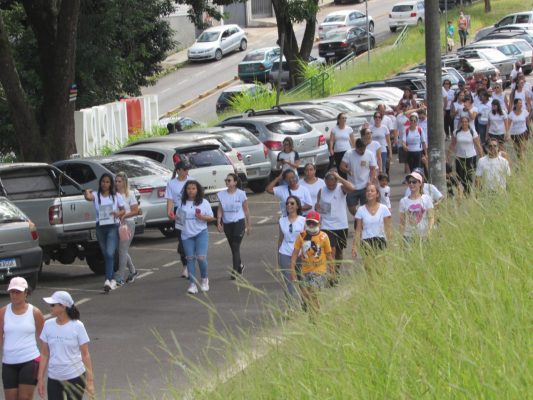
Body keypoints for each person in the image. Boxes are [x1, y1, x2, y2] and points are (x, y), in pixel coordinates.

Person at [37, 291, 94, 400]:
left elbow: (85, 354)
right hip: (54, 378)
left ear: (63, 306)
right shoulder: (48, 325)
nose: (50, 307)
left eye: (53, 305)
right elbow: (44, 354)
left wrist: (90, 382)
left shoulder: (78, 326)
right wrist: (40, 379)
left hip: (75, 377)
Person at [0, 277, 44, 400]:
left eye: (18, 292)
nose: (14, 295)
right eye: (12, 292)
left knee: (24, 397)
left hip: (30, 361)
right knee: (10, 398)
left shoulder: (35, 312)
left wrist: (45, 365)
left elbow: (44, 341)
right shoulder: (3, 312)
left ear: (26, 293)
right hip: (9, 362)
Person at [83, 173, 125, 291]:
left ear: (110, 184)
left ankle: (108, 279)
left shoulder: (116, 196)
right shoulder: (96, 195)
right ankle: (111, 279)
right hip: (100, 227)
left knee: (110, 252)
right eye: (103, 181)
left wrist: (118, 213)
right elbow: (88, 197)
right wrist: (87, 192)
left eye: (107, 182)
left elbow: (123, 210)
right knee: (106, 254)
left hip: (112, 225)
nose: (105, 184)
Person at [290, 211, 333, 314]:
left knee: (313, 293)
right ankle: (313, 311)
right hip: (305, 271)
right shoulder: (301, 236)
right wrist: (293, 271)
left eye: (314, 223)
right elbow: (295, 254)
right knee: (306, 294)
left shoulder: (324, 237)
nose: (311, 225)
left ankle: (315, 317)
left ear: (319, 224)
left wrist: (332, 271)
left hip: (319, 271)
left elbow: (328, 255)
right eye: (309, 223)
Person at [315, 170, 354, 276]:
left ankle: (336, 270)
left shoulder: (341, 187)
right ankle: (332, 275)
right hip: (326, 225)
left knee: (339, 251)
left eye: (333, 184)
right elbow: (317, 205)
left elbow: (352, 188)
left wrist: (339, 177)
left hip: (341, 224)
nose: (331, 186)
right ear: (325, 181)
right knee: (330, 250)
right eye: (328, 184)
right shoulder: (321, 191)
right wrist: (317, 207)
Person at [180, 180, 216, 294]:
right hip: (186, 235)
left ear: (197, 190)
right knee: (190, 259)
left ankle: (204, 279)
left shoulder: (204, 202)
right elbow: (179, 221)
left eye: (193, 188)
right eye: (188, 188)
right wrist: (175, 219)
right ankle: (192, 284)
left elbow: (211, 218)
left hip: (201, 233)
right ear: (186, 190)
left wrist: (201, 217)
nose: (191, 191)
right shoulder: (182, 203)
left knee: (201, 258)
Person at [216, 173, 251, 279]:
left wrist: (249, 225)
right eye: (226, 180)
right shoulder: (221, 194)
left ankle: (235, 272)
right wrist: (219, 222)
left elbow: (246, 209)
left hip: (239, 223)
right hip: (227, 224)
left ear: (235, 182)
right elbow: (220, 209)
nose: (227, 182)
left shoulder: (241, 194)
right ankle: (240, 266)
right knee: (233, 248)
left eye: (229, 180)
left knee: (235, 246)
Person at [166, 161, 193, 279]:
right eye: (185, 169)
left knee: (191, 237)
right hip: (180, 212)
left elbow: (198, 197)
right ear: (178, 171)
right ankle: (186, 266)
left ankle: (191, 261)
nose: (187, 172)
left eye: (188, 169)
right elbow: (170, 199)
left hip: (191, 211)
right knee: (182, 239)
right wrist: (169, 211)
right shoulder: (171, 184)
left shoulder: (192, 181)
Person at [352, 184, 392, 263]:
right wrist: (354, 246)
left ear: (377, 194)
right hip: (366, 241)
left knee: (381, 269)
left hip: (380, 240)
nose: (369, 192)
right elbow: (358, 230)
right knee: (369, 269)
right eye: (367, 191)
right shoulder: (361, 210)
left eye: (372, 191)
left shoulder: (384, 209)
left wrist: (391, 244)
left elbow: (388, 228)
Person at [277, 195, 306, 299]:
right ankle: (291, 306)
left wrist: (306, 254)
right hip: (285, 252)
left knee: (302, 279)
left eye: (292, 203)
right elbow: (280, 238)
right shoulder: (282, 221)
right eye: (287, 203)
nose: (289, 205)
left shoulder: (303, 220)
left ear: (297, 206)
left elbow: (307, 239)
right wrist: (278, 256)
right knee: (288, 281)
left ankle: (306, 302)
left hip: (299, 253)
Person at [340, 138, 378, 216]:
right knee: (351, 208)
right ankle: (359, 217)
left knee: (366, 207)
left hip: (365, 186)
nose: (362, 152)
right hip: (352, 187)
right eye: (360, 150)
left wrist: (370, 181)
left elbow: (373, 169)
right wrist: (347, 170)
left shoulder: (369, 154)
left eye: (363, 149)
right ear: (355, 147)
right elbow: (341, 166)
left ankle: (362, 221)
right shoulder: (349, 153)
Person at [447, 116, 483, 193]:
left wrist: (481, 156)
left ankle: (468, 191)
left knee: (469, 175)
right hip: (459, 157)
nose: (464, 123)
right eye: (462, 122)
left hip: (471, 157)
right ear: (460, 123)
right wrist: (448, 156)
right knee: (460, 176)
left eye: (466, 122)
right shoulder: (456, 132)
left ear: (468, 123)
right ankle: (463, 189)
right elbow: (452, 144)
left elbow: (478, 145)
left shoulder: (472, 132)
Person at [114, 172, 139, 285]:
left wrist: (124, 215)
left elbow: (135, 211)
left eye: (119, 181)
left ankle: (120, 276)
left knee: (122, 250)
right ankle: (133, 271)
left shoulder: (130, 194)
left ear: (124, 182)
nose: (117, 183)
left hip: (127, 224)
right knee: (121, 250)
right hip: (117, 225)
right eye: (116, 181)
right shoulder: (113, 195)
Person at [399, 172, 435, 241]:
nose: (411, 184)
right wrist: (400, 238)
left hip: (423, 235)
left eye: (414, 182)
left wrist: (429, 231)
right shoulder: (403, 201)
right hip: (408, 236)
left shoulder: (426, 199)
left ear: (420, 183)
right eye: (409, 182)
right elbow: (401, 222)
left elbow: (431, 217)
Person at [329, 113, 355, 178]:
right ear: (338, 120)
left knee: (347, 166)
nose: (344, 120)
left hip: (347, 151)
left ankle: (349, 180)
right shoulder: (334, 129)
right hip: (337, 151)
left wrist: (354, 149)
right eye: (342, 118)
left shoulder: (349, 129)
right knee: (340, 167)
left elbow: (353, 140)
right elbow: (331, 140)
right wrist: (331, 149)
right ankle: (342, 181)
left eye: (345, 118)